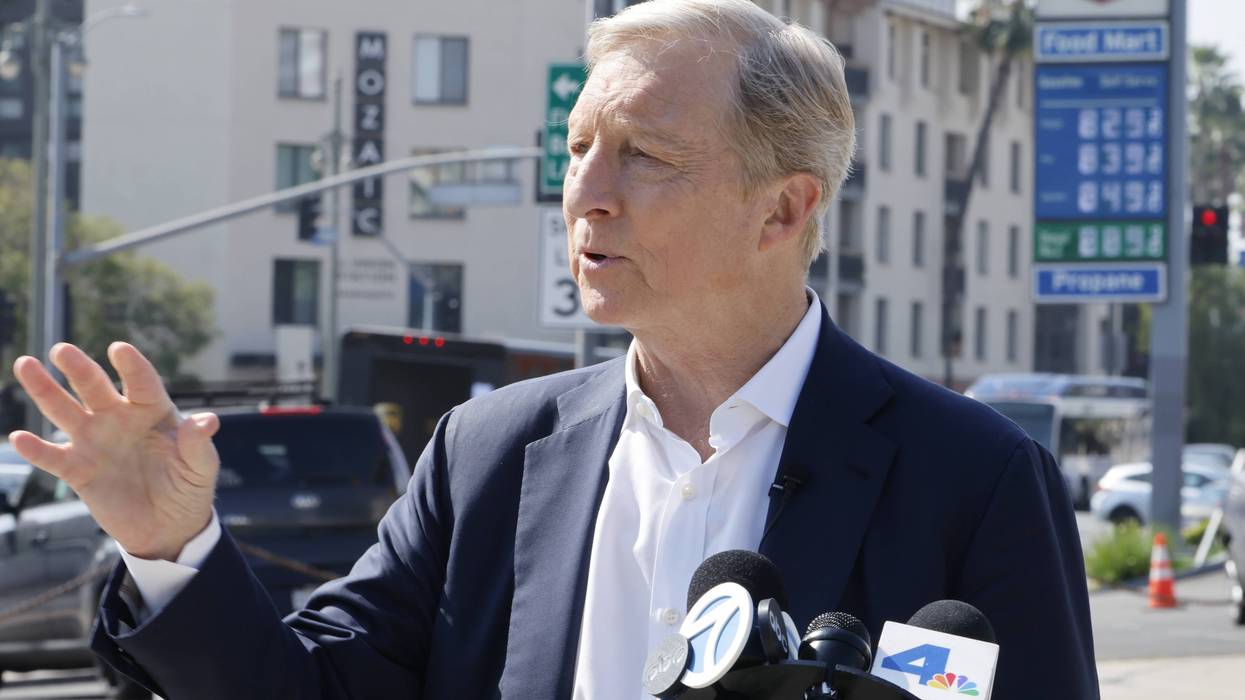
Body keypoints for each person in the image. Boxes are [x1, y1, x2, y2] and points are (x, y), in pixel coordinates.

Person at [7, 1, 1098, 698]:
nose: (585, 192)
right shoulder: (486, 452)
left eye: (644, 155)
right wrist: (172, 544)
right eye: (578, 147)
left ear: (782, 209)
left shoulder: (974, 479)